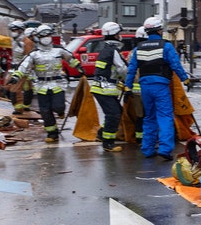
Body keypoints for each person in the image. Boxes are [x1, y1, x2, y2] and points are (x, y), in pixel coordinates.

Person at [124, 16, 189, 160]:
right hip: (161, 86)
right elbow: (176, 65)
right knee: (165, 116)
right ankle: (165, 150)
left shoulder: (138, 49)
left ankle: (147, 149)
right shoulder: (166, 46)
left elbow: (131, 69)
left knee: (149, 117)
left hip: (145, 87)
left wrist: (127, 86)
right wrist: (186, 79)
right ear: (159, 30)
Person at [10, 24, 82, 143]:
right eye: (43, 36)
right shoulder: (34, 54)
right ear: (38, 37)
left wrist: (78, 67)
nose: (46, 38)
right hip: (42, 85)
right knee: (45, 111)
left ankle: (60, 112)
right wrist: (16, 76)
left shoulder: (59, 50)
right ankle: (52, 133)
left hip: (57, 84)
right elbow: (24, 66)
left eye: (48, 35)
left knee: (59, 106)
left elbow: (70, 58)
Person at [89, 21, 129, 152]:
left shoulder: (105, 50)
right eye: (118, 34)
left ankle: (101, 134)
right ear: (115, 35)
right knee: (114, 114)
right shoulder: (114, 51)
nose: (120, 36)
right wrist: (128, 81)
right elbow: (122, 69)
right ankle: (108, 143)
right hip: (105, 88)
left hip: (101, 87)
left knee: (114, 112)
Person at [8, 21, 35, 114]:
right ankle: (25, 106)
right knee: (20, 88)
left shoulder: (26, 42)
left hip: (22, 69)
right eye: (12, 30)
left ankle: (19, 109)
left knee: (14, 90)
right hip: (14, 68)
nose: (13, 32)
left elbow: (29, 57)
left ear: (20, 30)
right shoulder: (14, 41)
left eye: (14, 30)